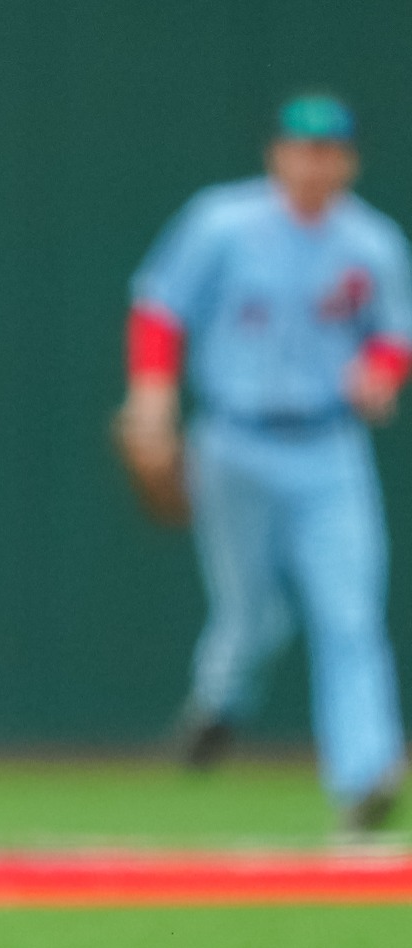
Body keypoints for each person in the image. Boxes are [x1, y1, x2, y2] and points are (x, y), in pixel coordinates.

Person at [119, 94, 412, 830]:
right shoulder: (222, 222)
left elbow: (395, 331)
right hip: (235, 439)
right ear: (276, 154)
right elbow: (160, 307)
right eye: (302, 147)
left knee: (349, 612)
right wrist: (152, 401)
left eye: (330, 149)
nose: (315, 161)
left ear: (350, 160)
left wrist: (381, 370)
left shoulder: (372, 244)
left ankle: (366, 772)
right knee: (248, 613)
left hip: (328, 444)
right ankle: (219, 702)